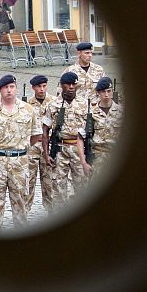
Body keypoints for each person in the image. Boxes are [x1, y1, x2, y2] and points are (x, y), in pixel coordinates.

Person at [0, 74, 41, 230]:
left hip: (20, 163)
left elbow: (36, 135)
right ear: (0, 90)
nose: (9, 90)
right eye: (6, 88)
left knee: (21, 206)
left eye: (12, 87)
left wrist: (21, 147)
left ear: (16, 88)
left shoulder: (28, 109)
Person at [42, 71, 87, 209]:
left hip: (79, 150)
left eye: (74, 84)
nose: (71, 87)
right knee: (58, 188)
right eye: (68, 84)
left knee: (82, 186)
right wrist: (46, 153)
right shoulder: (53, 105)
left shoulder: (85, 104)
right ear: (62, 85)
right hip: (60, 149)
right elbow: (45, 130)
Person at [77, 76, 124, 180]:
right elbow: (80, 138)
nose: (106, 94)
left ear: (112, 91)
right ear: (98, 93)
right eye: (103, 92)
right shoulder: (91, 114)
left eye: (109, 91)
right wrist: (83, 162)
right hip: (97, 158)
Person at [26, 74, 54, 213]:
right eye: (39, 87)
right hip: (32, 146)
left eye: (44, 86)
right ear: (33, 88)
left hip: (48, 146)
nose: (42, 89)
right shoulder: (27, 105)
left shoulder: (54, 102)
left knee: (49, 182)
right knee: (28, 181)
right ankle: (25, 211)